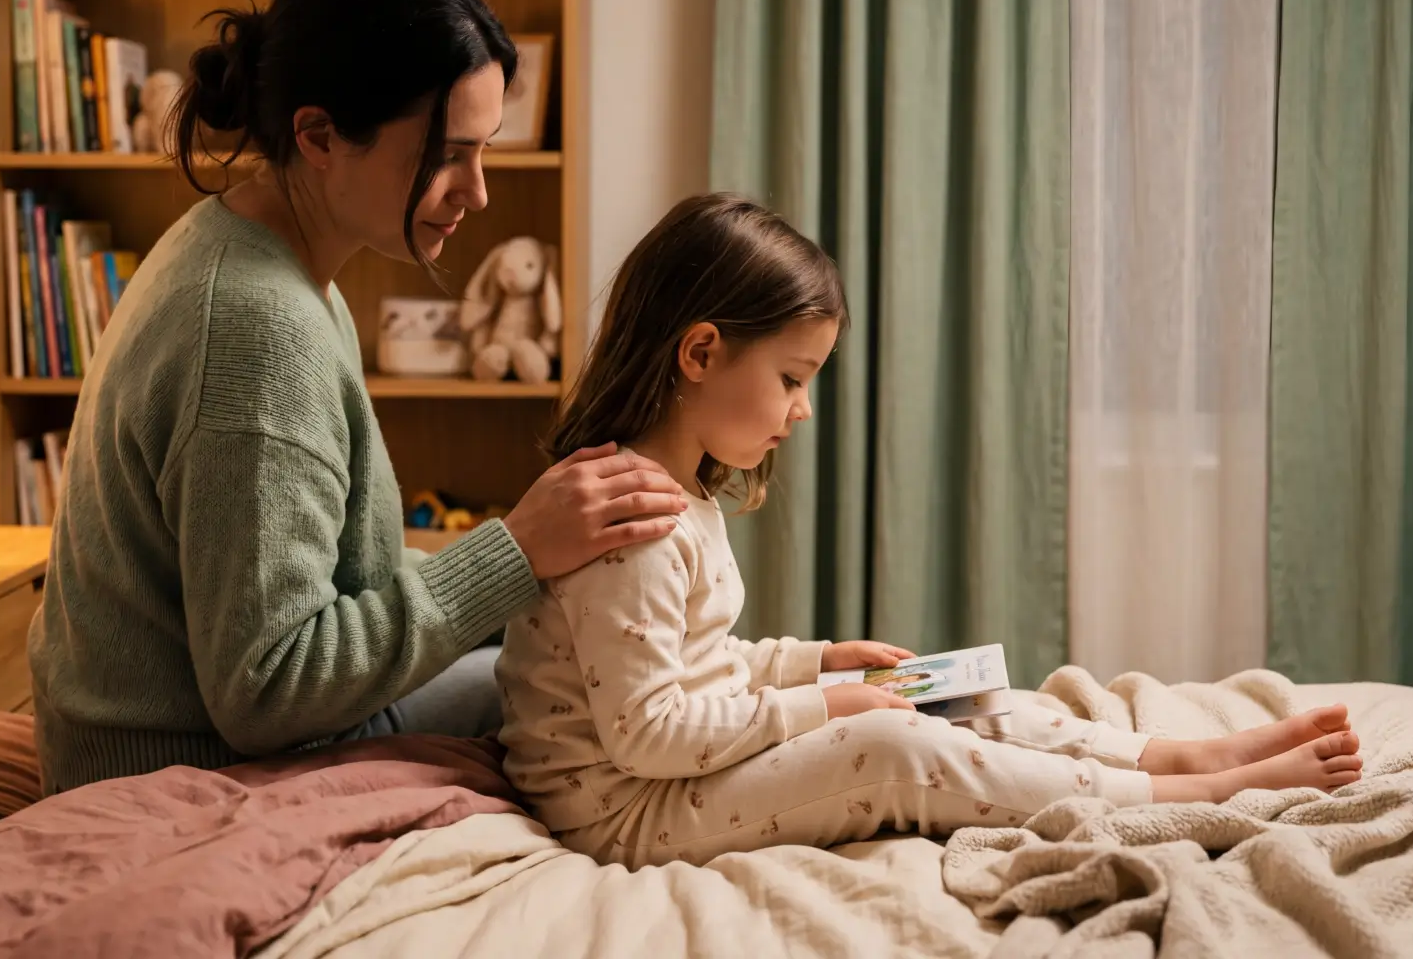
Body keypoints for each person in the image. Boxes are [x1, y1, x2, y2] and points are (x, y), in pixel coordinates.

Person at [494, 193, 1365, 869]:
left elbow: (695, 665)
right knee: (890, 743)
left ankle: (1176, 756)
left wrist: (814, 660)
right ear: (700, 353)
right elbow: (650, 734)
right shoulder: (629, 520)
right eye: (793, 378)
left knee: (956, 694)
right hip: (625, 812)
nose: (802, 411)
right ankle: (1191, 792)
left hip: (662, 774)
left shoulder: (681, 497)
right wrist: (826, 706)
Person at [28, 0, 686, 796]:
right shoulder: (257, 327)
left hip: (185, 740)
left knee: (568, 658)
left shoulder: (256, 251)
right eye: (449, 154)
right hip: (179, 775)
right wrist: (516, 549)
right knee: (581, 697)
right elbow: (269, 688)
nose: (478, 192)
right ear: (319, 135)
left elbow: (333, 583)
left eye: (483, 150)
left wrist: (532, 566)